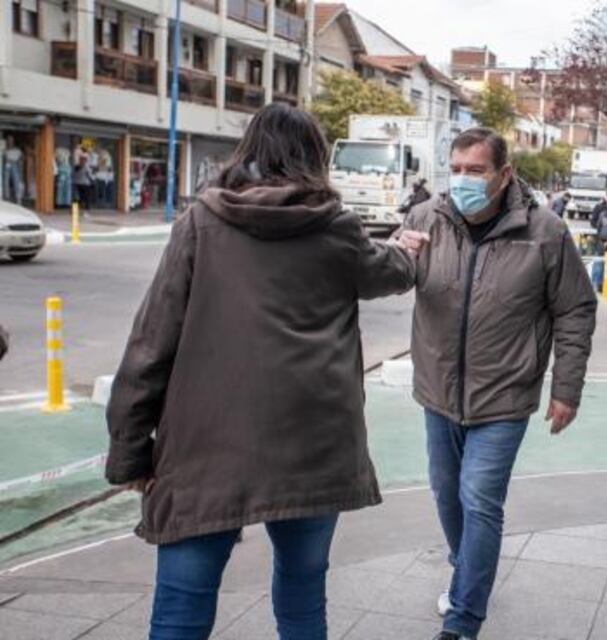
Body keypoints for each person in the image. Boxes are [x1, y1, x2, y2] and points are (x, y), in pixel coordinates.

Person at [104, 103, 425, 640]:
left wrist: (130, 451)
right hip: (315, 441)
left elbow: (151, 342)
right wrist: (407, 252)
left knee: (183, 602)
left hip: (208, 444)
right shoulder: (337, 228)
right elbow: (387, 272)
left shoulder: (202, 222)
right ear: (315, 159)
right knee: (303, 592)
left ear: (247, 151)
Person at [399, 127, 597, 640]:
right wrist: (394, 255)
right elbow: (385, 279)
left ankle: (463, 621)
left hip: (505, 393)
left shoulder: (544, 231)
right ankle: (467, 569)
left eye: (476, 170)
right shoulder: (424, 219)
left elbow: (575, 308)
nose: (462, 180)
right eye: (456, 169)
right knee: (447, 494)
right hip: (438, 390)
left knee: (480, 499)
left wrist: (566, 388)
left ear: (504, 174)